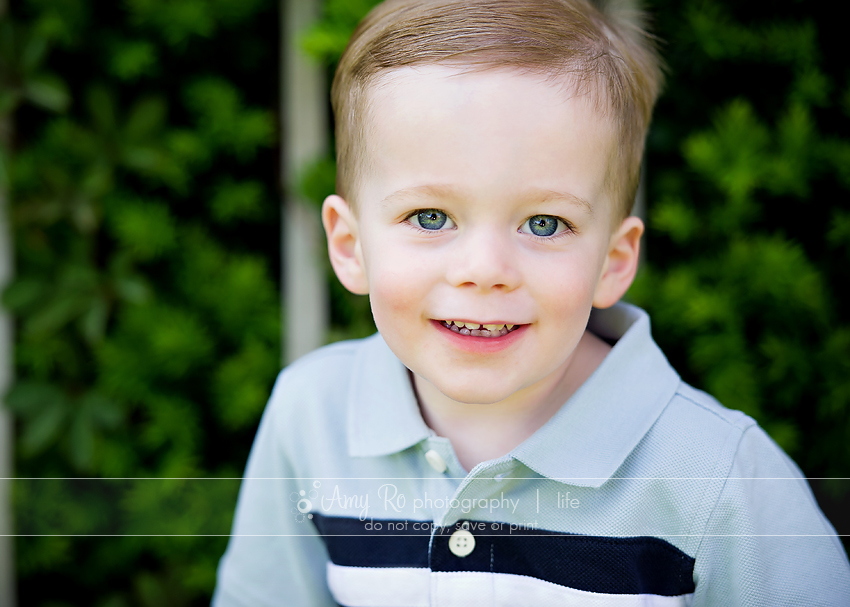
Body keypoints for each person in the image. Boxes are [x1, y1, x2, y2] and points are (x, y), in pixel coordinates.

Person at [212, 0, 850, 605]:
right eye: (430, 216)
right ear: (350, 246)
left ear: (613, 261)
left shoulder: (722, 481)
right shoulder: (311, 416)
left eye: (544, 224)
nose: (485, 270)